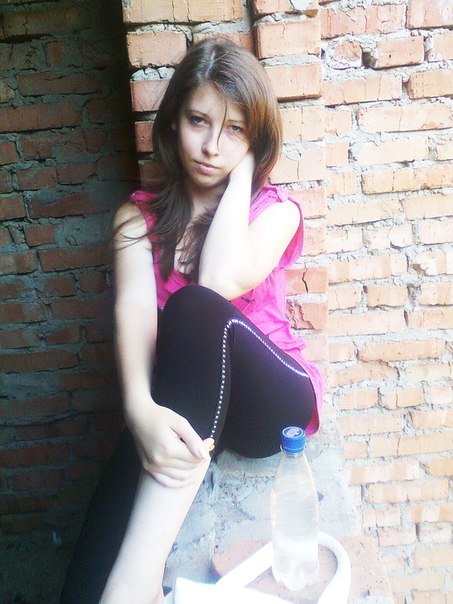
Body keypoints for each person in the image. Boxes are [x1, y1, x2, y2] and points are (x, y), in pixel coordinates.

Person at [60, 37, 323, 604]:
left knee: (195, 307)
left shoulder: (274, 210)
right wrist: (139, 411)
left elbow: (218, 281)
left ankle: (138, 582)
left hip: (272, 404)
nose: (210, 146)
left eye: (234, 130)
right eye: (198, 121)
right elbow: (133, 310)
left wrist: (243, 173)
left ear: (256, 140)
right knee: (88, 575)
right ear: (173, 121)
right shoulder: (137, 218)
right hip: (189, 406)